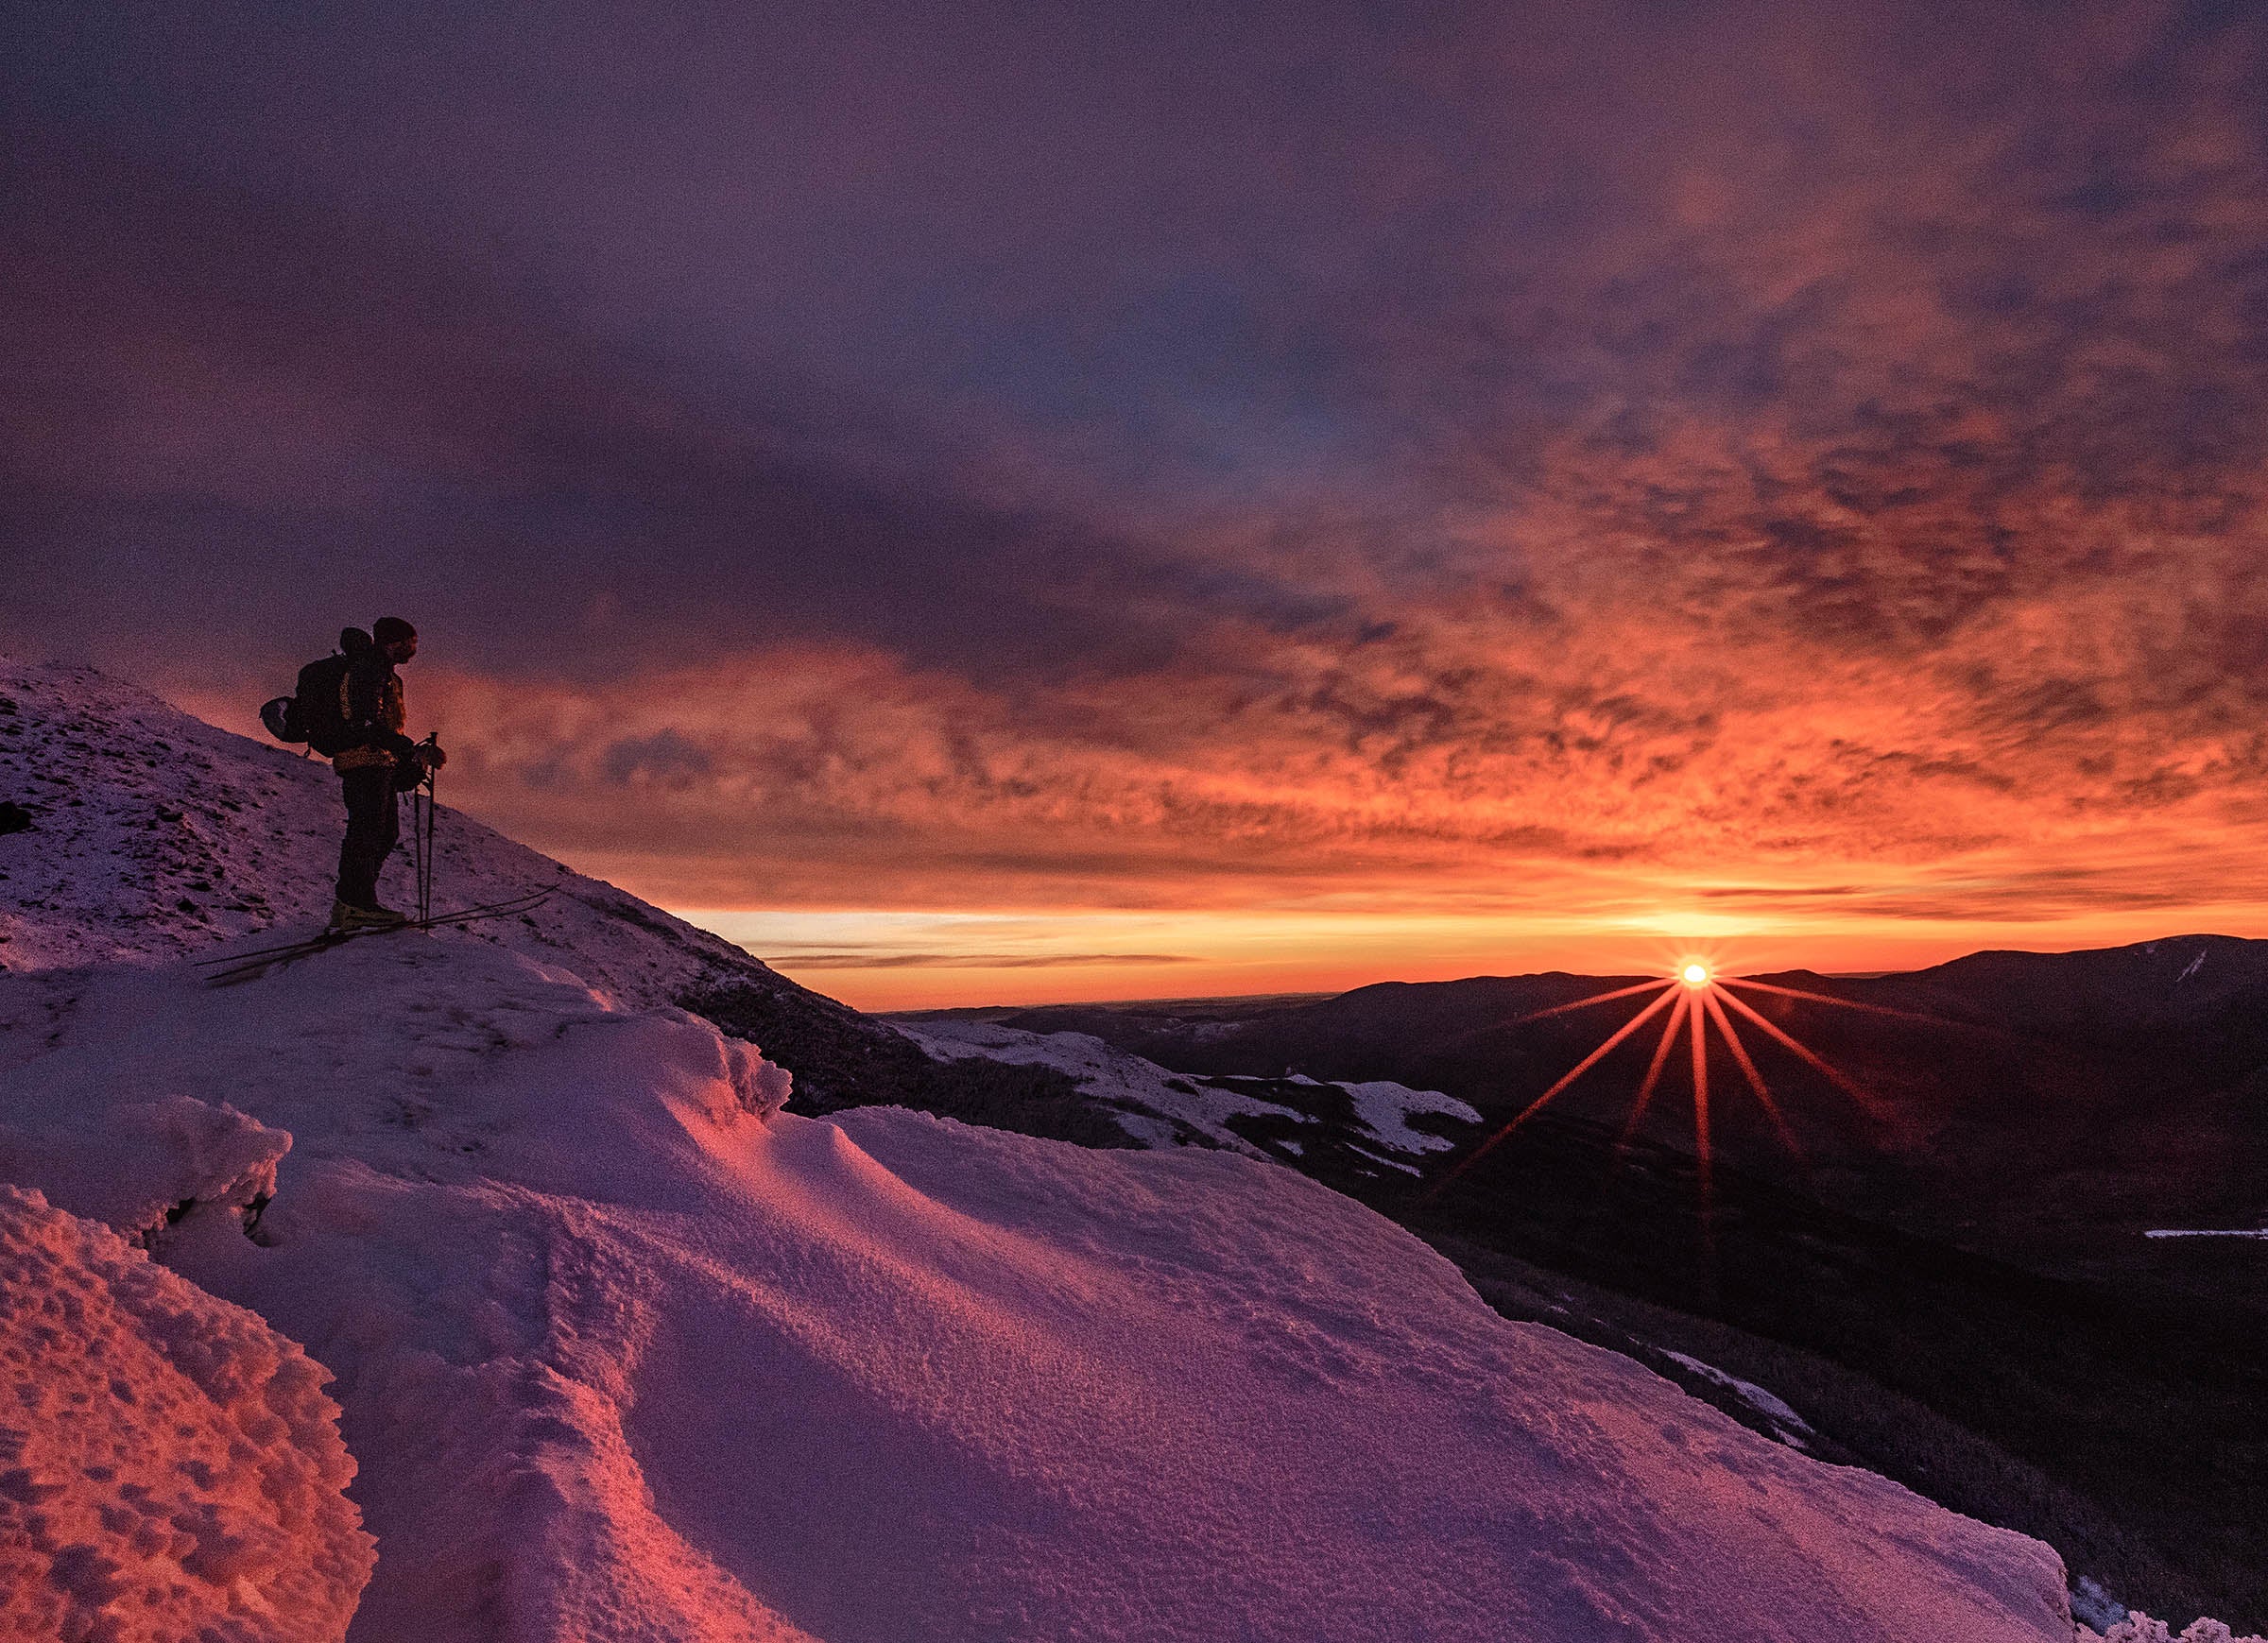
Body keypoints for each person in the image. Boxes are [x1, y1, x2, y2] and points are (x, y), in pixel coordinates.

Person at [330, 617, 444, 929]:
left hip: (377, 763)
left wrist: (406, 754)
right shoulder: (371, 670)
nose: (414, 651)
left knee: (381, 832)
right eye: (412, 643)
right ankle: (357, 904)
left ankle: (352, 903)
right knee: (367, 832)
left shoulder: (383, 673)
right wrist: (408, 749)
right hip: (364, 761)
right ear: (395, 642)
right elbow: (365, 723)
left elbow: (377, 724)